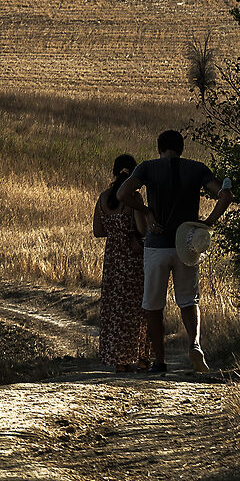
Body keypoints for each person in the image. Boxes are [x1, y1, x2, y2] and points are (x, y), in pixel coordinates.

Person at [121, 130, 234, 373]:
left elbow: (123, 193)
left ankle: (160, 361)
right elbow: (225, 196)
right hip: (187, 245)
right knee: (188, 301)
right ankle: (195, 345)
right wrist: (208, 223)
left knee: (153, 306)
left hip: (156, 246)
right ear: (181, 148)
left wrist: (147, 211)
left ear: (159, 147)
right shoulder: (197, 168)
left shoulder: (147, 168)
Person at [93, 153, 153, 371]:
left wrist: (115, 233)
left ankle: (120, 361)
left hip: (113, 260)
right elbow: (141, 229)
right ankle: (142, 357)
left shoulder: (102, 198)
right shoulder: (133, 198)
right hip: (133, 259)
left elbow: (98, 231)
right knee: (138, 308)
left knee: (115, 309)